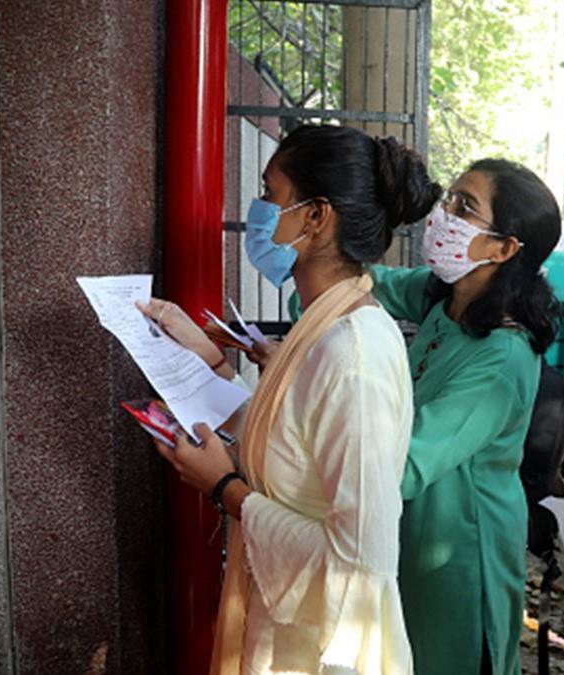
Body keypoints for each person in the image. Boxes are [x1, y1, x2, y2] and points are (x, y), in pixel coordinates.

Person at [141, 124, 441, 675]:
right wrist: (205, 361)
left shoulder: (353, 353)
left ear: (315, 216)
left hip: (318, 654)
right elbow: (287, 441)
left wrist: (226, 490)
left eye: (269, 194)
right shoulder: (326, 323)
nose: (258, 211)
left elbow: (360, 563)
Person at [369, 159, 561, 675]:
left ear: (504, 248)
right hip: (415, 527)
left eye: (465, 207)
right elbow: (369, 285)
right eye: (449, 198)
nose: (443, 215)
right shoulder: (445, 297)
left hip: (460, 550)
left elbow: (405, 465)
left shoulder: (501, 357)